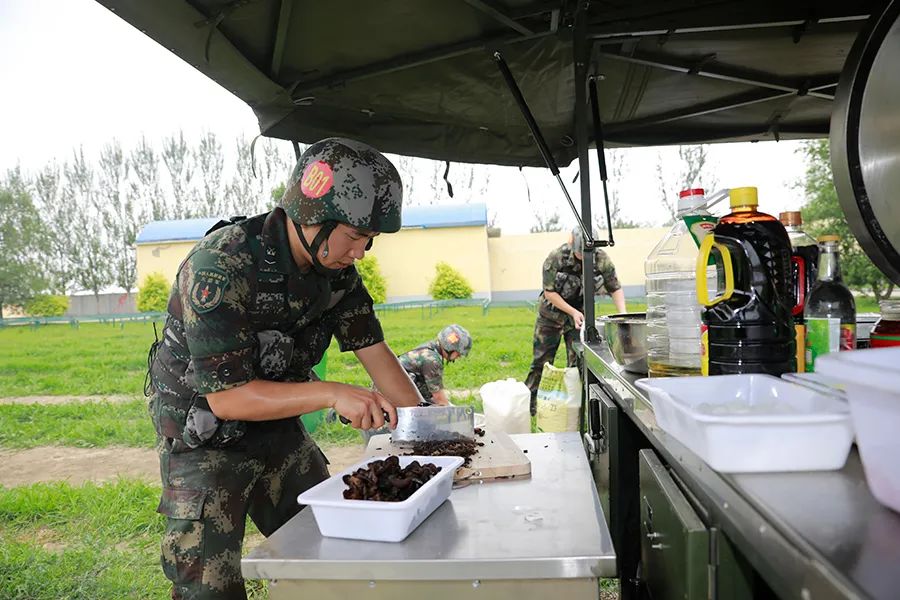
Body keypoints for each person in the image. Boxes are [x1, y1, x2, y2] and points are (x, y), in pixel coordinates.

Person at [146, 137, 424, 599]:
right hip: (204, 438)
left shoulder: (337, 276)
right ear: (312, 216)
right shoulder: (223, 262)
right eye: (354, 236)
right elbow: (228, 397)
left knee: (335, 549)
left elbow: (376, 354)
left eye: (369, 241)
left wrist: (426, 429)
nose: (360, 252)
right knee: (209, 588)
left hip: (275, 424)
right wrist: (333, 393)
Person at [524, 227, 626, 414]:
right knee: (541, 361)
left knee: (579, 363)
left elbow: (615, 287)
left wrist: (623, 316)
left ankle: (577, 408)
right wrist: (572, 312)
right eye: (579, 253)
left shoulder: (601, 259)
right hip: (551, 316)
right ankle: (529, 406)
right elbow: (549, 292)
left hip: (579, 320)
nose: (582, 257)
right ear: (571, 244)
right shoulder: (556, 258)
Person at [398, 324, 473, 406]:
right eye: (458, 353)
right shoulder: (432, 360)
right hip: (396, 398)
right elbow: (439, 399)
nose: (459, 356)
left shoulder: (429, 348)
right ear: (450, 348)